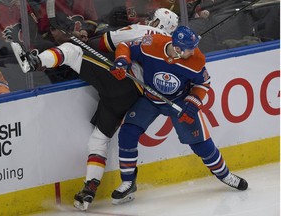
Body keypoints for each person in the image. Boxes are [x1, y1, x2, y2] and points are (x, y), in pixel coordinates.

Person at [10, 8, 179, 211]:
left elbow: (104, 42)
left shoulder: (143, 31)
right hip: (132, 95)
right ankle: (89, 190)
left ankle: (34, 62)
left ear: (158, 23)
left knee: (72, 51)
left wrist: (81, 40)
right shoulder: (172, 48)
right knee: (99, 139)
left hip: (120, 80)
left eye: (153, 19)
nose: (148, 20)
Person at [109, 25, 248, 205]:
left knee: (201, 145)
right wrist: (121, 60)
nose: (193, 51)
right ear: (176, 48)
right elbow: (126, 46)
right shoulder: (152, 43)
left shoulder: (196, 59)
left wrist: (192, 104)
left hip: (179, 102)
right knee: (127, 132)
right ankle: (128, 182)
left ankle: (225, 175)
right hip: (151, 99)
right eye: (189, 48)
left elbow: (204, 83)